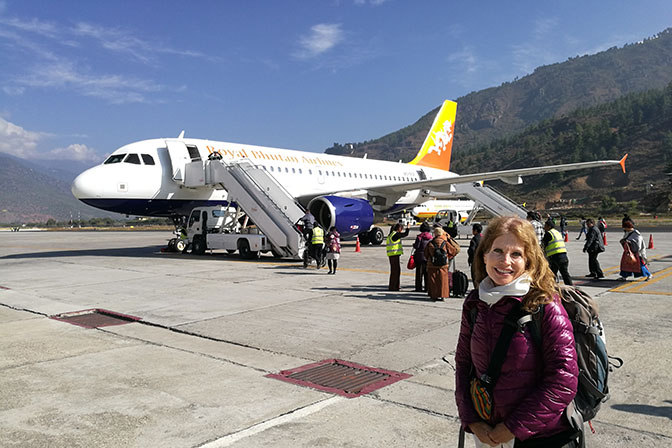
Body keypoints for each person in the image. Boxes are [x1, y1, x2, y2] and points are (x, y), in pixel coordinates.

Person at [455, 216, 579, 447]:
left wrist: (511, 428)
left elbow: (564, 379)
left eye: (516, 254)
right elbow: (463, 365)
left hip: (537, 436)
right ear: (484, 255)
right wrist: (471, 420)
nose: (505, 261)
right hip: (486, 433)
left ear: (528, 261)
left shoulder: (544, 305)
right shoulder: (475, 303)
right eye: (498, 251)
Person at [424, 227, 458, 301]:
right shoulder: (445, 243)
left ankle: (434, 295)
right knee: (443, 280)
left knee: (433, 280)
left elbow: (426, 253)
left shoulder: (431, 243)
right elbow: (454, 251)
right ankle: (443, 294)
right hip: (443, 264)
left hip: (432, 264)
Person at [543, 219, 574, 285]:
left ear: (549, 226)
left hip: (555, 257)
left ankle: (552, 287)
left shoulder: (549, 233)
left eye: (545, 226)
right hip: (563, 255)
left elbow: (543, 245)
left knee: (552, 273)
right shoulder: (557, 232)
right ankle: (571, 287)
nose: (544, 227)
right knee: (564, 273)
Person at [387, 223, 409, 291]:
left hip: (392, 255)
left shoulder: (391, 234)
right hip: (394, 255)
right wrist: (408, 228)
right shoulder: (395, 235)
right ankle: (394, 286)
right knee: (395, 271)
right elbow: (405, 234)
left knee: (395, 271)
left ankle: (395, 285)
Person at [412, 221, 433, 292]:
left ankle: (418, 288)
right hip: (427, 257)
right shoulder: (431, 237)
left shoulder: (419, 237)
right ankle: (427, 288)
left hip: (420, 257)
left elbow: (417, 246)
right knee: (427, 273)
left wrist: (414, 245)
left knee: (419, 274)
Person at [468, 223, 483, 289]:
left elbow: (471, 250)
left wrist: (470, 259)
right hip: (483, 260)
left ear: (475, 230)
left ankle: (476, 290)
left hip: (475, 261)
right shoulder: (483, 238)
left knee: (475, 276)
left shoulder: (474, 239)